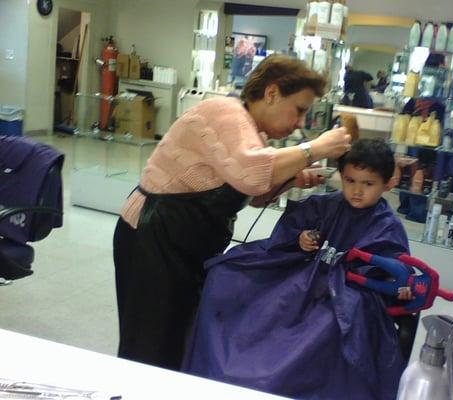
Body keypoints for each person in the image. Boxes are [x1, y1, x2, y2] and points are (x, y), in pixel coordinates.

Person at [112, 54, 352, 371]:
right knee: (149, 346)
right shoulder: (225, 112)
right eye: (299, 110)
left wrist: (291, 177)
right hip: (152, 234)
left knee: (177, 339)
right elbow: (251, 172)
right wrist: (315, 148)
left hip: (183, 242)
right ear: (272, 92)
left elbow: (252, 192)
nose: (300, 123)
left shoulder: (252, 134)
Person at [183, 139, 411, 399]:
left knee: (325, 326)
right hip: (302, 279)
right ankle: (223, 368)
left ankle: (276, 380)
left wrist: (397, 288)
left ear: (387, 184)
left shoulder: (387, 226)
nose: (357, 191)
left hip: (345, 295)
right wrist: (300, 240)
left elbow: (396, 272)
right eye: (350, 181)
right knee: (226, 275)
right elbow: (287, 234)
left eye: (368, 184)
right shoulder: (325, 205)